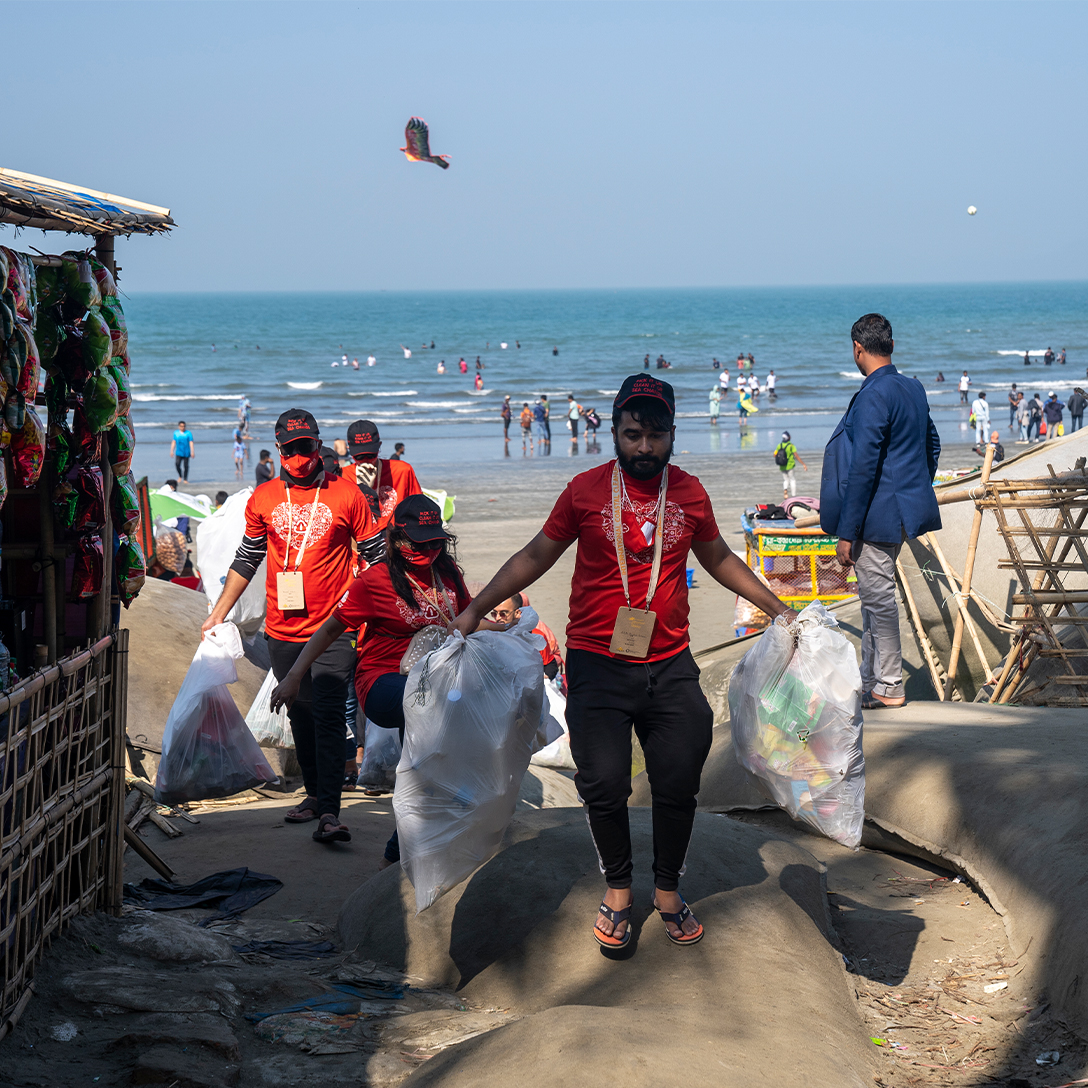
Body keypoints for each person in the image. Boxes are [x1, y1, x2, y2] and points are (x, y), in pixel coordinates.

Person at [452, 374, 796, 948]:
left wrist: (779, 608)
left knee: (680, 778)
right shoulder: (585, 491)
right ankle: (617, 888)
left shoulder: (688, 494)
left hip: (669, 663)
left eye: (655, 435)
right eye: (633, 434)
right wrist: (473, 609)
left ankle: (666, 889)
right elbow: (537, 553)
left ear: (672, 435)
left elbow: (719, 557)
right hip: (596, 662)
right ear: (613, 432)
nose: (643, 447)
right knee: (604, 782)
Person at [271, 495, 504, 868]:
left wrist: (509, 629)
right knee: (439, 722)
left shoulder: (448, 574)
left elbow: (466, 619)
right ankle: (399, 852)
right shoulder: (374, 580)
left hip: (437, 680)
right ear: (397, 540)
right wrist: (295, 677)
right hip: (383, 682)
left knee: (430, 758)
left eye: (435, 542)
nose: (429, 550)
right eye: (420, 543)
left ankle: (402, 852)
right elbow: (331, 628)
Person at [203, 409, 382, 844]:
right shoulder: (262, 498)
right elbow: (246, 559)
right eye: (291, 449)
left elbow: (376, 558)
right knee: (298, 714)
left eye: (307, 447)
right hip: (282, 628)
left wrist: (370, 611)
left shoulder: (348, 495)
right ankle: (315, 798)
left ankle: (330, 813)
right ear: (280, 449)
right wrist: (218, 613)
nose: (300, 456)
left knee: (325, 716)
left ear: (319, 445)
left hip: (334, 628)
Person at [820, 313, 941, 711]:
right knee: (874, 597)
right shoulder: (913, 388)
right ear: (890, 345)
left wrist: (846, 531)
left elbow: (864, 467)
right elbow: (932, 446)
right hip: (905, 511)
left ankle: (889, 685)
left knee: (879, 599)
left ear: (858, 348)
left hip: (875, 517)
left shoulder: (873, 394)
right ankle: (873, 680)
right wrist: (914, 488)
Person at [346, 420, 423, 532]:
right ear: (349, 450)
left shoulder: (402, 471)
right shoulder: (343, 475)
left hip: (395, 539)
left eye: (371, 455)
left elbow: (418, 509)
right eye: (360, 456)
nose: (367, 461)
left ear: (379, 446)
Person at [490, 592, 564, 680]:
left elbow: (550, 665)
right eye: (494, 614)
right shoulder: (489, 636)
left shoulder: (534, 637)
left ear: (518, 613)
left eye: (503, 614)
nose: (497, 618)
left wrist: (542, 678)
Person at [773, 431, 807, 499]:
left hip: (782, 466)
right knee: (792, 479)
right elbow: (796, 456)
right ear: (788, 437)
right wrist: (803, 464)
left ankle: (785, 490)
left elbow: (774, 455)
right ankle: (793, 495)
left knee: (785, 480)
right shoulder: (791, 446)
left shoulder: (779, 445)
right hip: (790, 465)